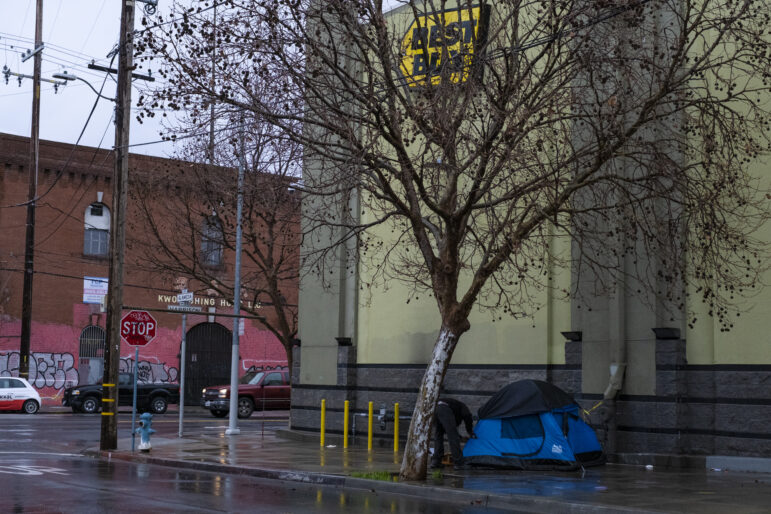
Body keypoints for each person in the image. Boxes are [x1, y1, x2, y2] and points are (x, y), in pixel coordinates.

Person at [431, 397, 475, 469]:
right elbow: (467, 416)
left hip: (434, 409)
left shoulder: (453, 409)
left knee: (438, 435)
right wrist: (470, 431)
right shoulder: (462, 406)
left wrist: (459, 437)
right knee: (453, 436)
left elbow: (447, 429)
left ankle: (436, 461)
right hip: (443, 408)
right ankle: (459, 463)